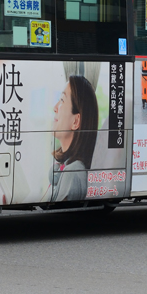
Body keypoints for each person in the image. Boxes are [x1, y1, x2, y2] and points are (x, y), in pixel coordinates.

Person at [44, 74, 99, 202]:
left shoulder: (73, 172)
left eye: (62, 100)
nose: (55, 108)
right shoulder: (66, 167)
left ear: (76, 121)